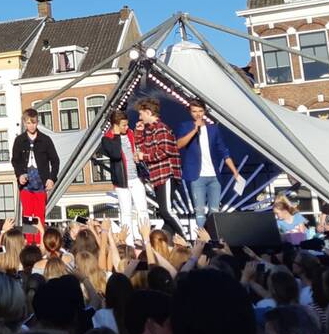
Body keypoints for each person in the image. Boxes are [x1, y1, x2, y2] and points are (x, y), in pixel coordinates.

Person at [174, 99, 242, 228]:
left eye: (200, 111)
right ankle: (203, 241)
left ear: (204, 111)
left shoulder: (213, 129)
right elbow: (179, 144)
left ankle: (214, 239)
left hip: (214, 176)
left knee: (214, 211)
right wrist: (195, 130)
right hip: (197, 175)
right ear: (190, 112)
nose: (198, 114)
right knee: (199, 211)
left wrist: (235, 172)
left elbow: (224, 151)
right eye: (194, 111)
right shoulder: (186, 126)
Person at [133, 98, 185, 239]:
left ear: (149, 112)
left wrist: (144, 156)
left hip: (166, 173)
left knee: (167, 210)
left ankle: (186, 239)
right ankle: (168, 242)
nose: (140, 117)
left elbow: (164, 151)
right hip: (158, 176)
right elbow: (143, 148)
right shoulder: (150, 131)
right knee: (163, 211)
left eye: (141, 114)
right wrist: (139, 133)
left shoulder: (161, 128)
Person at [11, 107, 60, 245]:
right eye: (28, 123)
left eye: (34, 123)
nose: (31, 126)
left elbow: (55, 161)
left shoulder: (45, 140)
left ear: (37, 122)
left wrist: (51, 178)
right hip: (26, 184)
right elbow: (15, 160)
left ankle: (39, 243)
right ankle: (29, 243)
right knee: (27, 215)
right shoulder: (19, 140)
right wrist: (19, 174)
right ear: (24, 123)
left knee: (39, 215)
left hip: (40, 183)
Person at [100, 110, 149, 244]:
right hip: (122, 180)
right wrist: (116, 135)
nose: (126, 128)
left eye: (127, 125)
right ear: (115, 125)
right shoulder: (107, 139)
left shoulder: (130, 133)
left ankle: (146, 239)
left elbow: (138, 146)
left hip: (136, 177)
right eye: (123, 125)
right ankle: (129, 243)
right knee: (126, 212)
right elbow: (115, 154)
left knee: (142, 209)